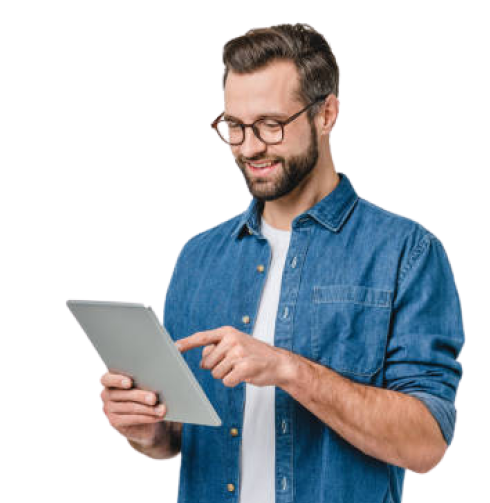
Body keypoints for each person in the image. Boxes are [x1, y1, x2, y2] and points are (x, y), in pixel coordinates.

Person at [99, 23, 465, 503]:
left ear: (327, 113)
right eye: (233, 126)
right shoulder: (197, 257)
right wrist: (144, 430)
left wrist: (289, 370)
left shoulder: (406, 252)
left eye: (271, 124)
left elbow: (427, 446)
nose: (249, 147)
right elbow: (178, 440)